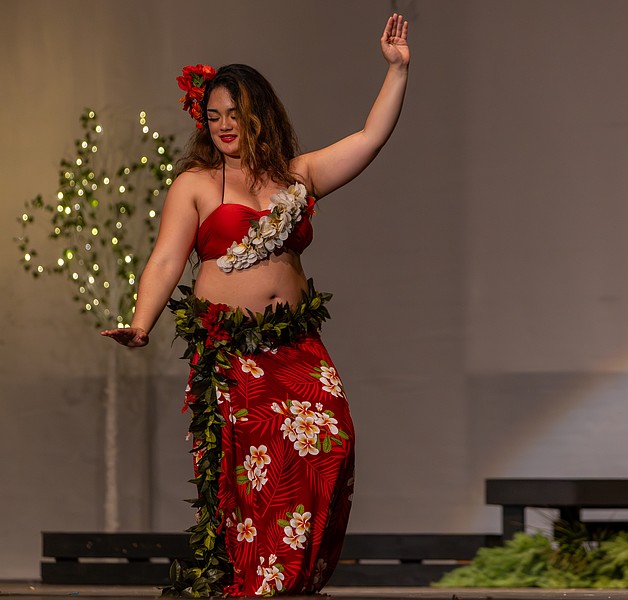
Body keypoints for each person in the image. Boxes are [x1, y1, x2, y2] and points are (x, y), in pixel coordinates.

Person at [101, 13, 409, 597]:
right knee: (255, 468)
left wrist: (395, 72)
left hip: (296, 344)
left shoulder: (298, 175)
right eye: (213, 115)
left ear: (259, 116)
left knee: (331, 440)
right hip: (231, 349)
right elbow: (166, 261)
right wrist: (141, 323)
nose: (223, 125)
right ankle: (258, 583)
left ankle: (290, 577)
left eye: (234, 114)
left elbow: (369, 138)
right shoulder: (196, 183)